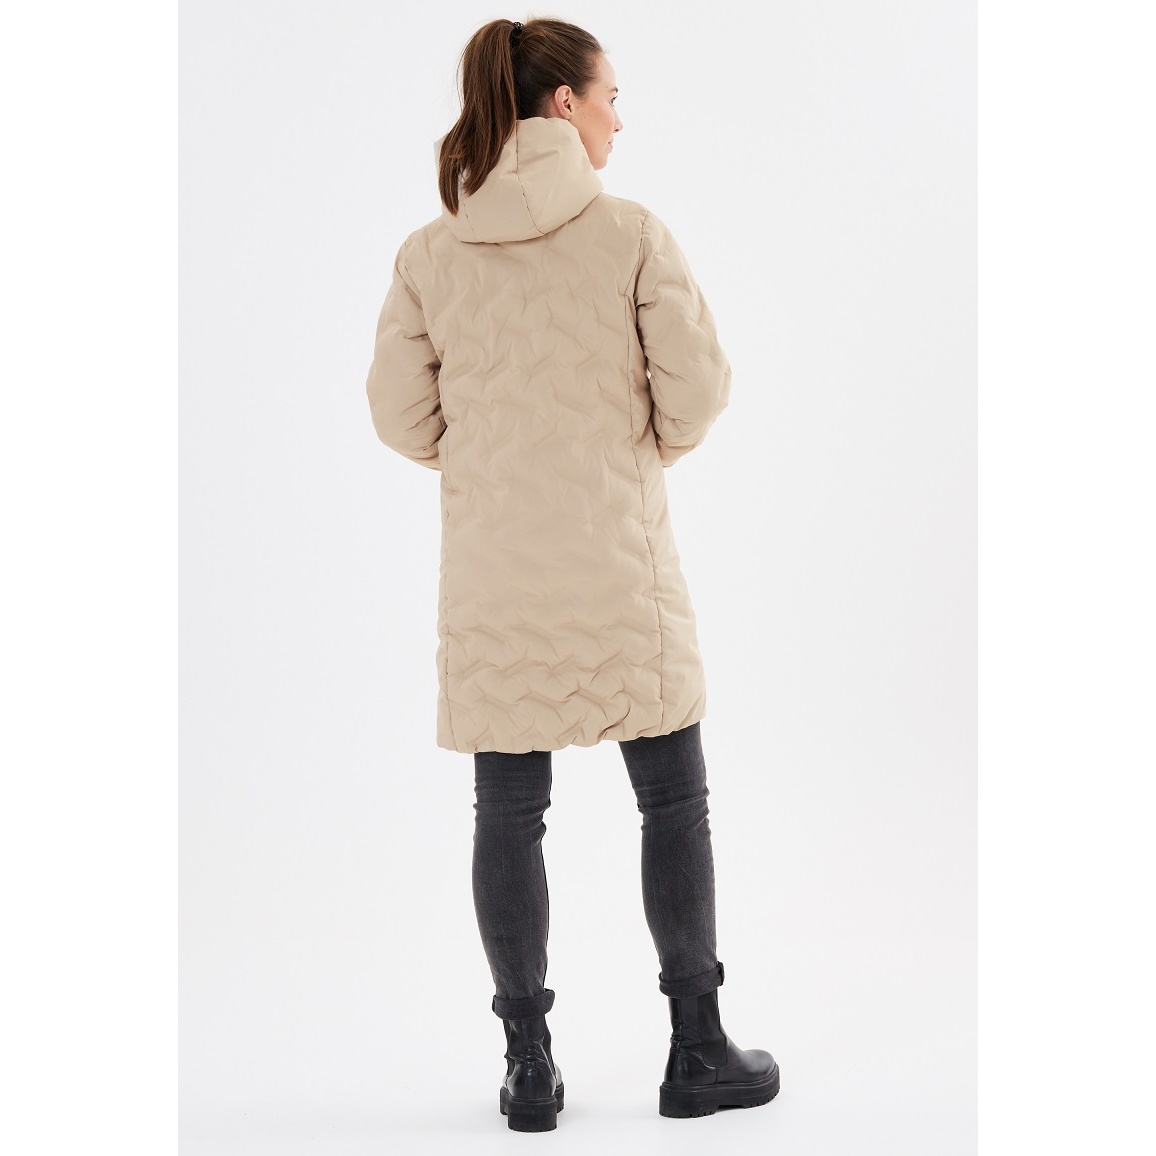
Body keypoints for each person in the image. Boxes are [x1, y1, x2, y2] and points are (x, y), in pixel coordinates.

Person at [365, 16, 779, 1132]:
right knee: (673, 798)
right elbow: (697, 391)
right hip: (619, 562)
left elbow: (400, 418)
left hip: (493, 575)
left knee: (507, 810)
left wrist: (495, 465)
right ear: (563, 104)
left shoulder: (429, 254)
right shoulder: (629, 234)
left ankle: (528, 1066)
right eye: (609, 97)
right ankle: (698, 1049)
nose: (617, 119)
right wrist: (625, 456)